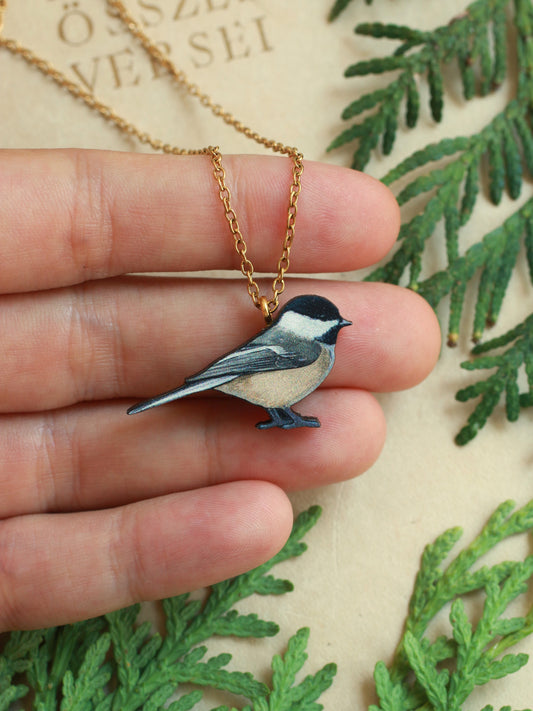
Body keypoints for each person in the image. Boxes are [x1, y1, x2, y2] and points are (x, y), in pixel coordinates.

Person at [0, 148, 441, 631]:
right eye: (328, 322)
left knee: (288, 413)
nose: (336, 327)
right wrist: (216, 382)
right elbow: (251, 364)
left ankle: (282, 417)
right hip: (245, 375)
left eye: (335, 322)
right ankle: (280, 416)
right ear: (306, 325)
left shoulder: (312, 345)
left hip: (256, 385)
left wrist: (283, 413)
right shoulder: (305, 348)